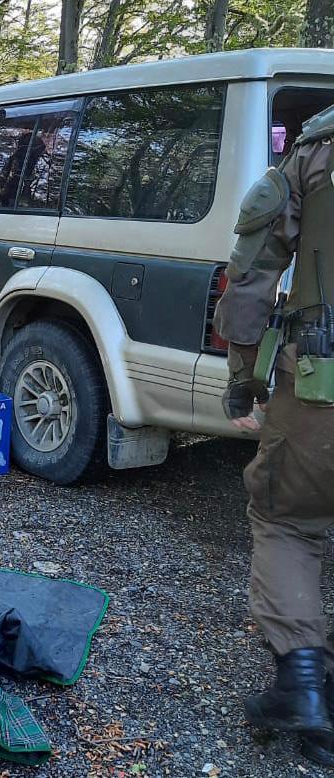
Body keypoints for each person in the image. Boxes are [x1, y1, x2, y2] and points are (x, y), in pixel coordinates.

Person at [213, 105, 334, 766]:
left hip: (323, 389)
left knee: (288, 519)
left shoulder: (316, 151)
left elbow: (252, 272)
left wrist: (243, 381)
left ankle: (304, 692)